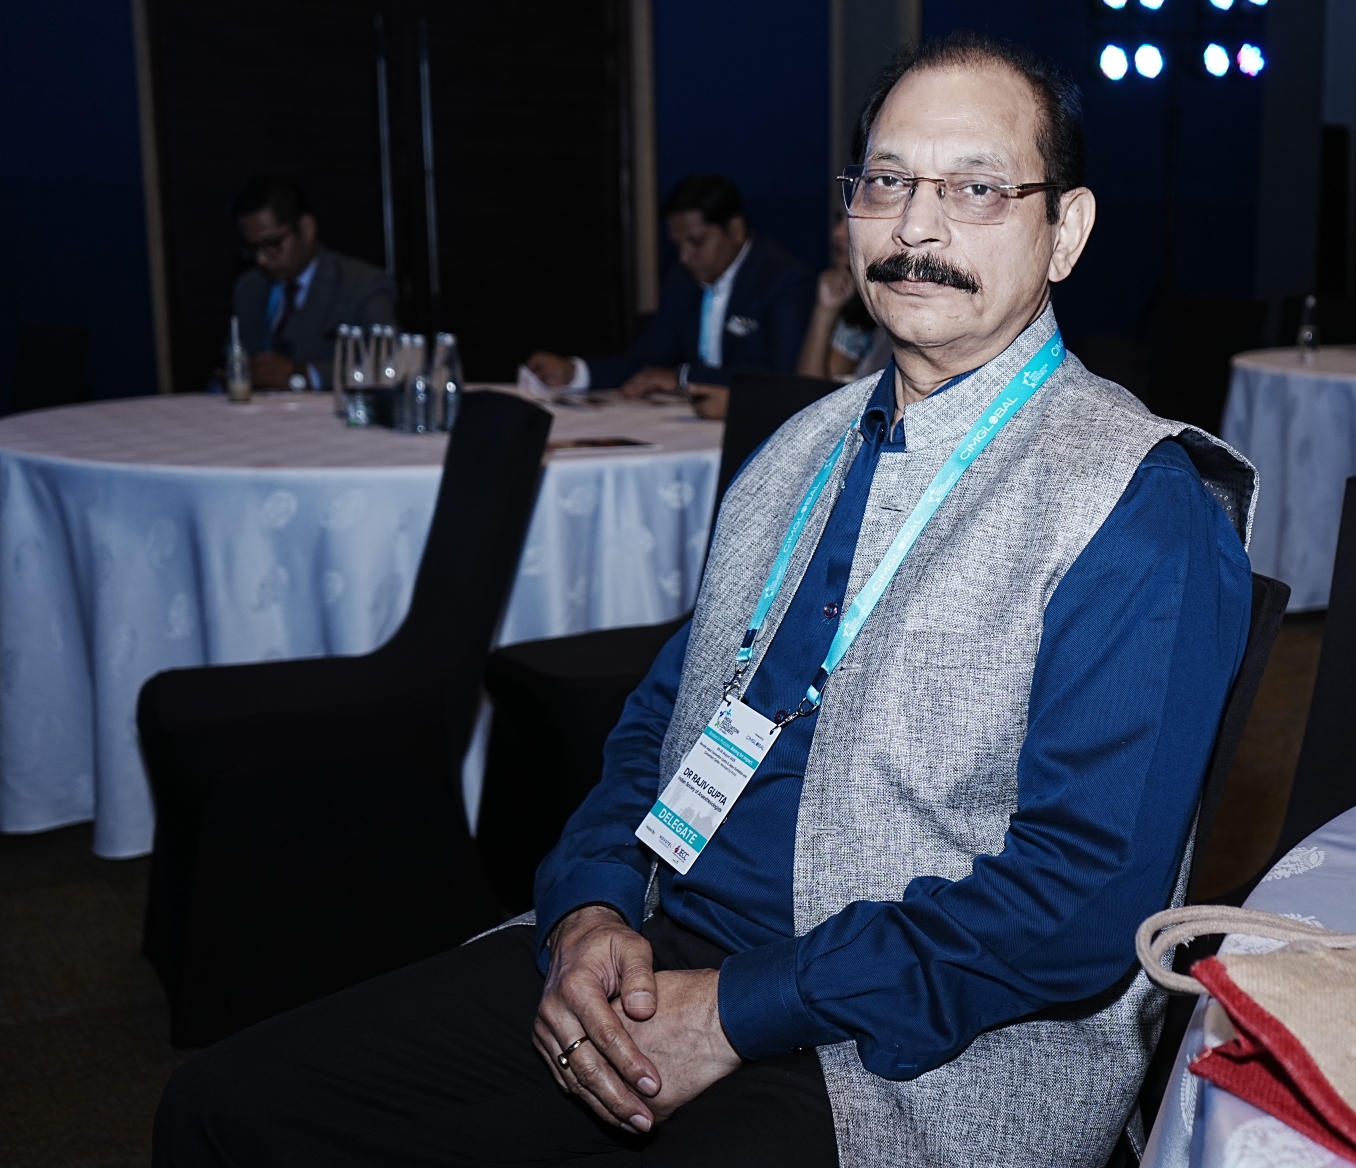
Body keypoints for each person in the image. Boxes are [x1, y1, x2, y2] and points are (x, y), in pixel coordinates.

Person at [155, 31, 1257, 1168]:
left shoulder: (1136, 504)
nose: (917, 229)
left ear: (1064, 230)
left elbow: (1073, 906)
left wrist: (735, 1009)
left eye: (976, 189)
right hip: (662, 940)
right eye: (887, 182)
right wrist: (590, 907)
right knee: (226, 1109)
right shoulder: (800, 451)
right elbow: (663, 721)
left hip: (918, 1047)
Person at [524, 175, 812, 420]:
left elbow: (782, 378)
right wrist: (575, 372)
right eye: (677, 245)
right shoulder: (681, 279)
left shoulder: (782, 280)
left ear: (735, 231)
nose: (685, 256)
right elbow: (646, 359)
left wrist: (683, 378)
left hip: (757, 427)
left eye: (696, 241)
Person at [231, 173, 396, 390]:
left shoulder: (362, 284)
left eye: (272, 244)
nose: (261, 259)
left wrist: (305, 375)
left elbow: (389, 363)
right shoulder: (249, 288)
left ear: (307, 229)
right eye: (253, 248)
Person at [795, 212, 891, 382]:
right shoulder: (855, 300)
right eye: (839, 219)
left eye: (853, 220)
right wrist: (825, 311)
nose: (837, 233)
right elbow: (810, 389)